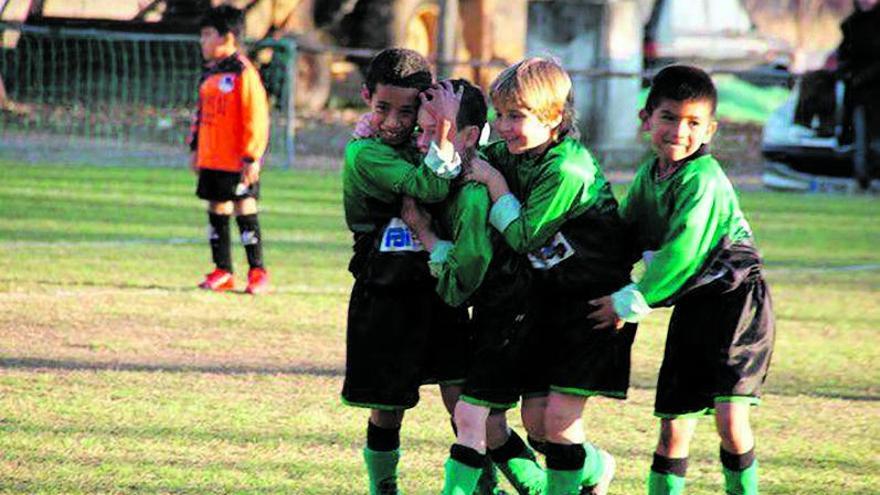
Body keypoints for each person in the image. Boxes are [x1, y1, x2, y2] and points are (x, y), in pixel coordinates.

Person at [588, 65, 775, 495]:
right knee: (674, 426)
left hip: (737, 303)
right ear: (646, 119)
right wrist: (594, 278)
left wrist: (629, 301)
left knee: (730, 420)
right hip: (694, 307)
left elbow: (682, 253)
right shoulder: (648, 177)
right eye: (669, 117)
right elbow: (624, 236)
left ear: (710, 130)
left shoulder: (703, 179)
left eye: (693, 123)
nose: (679, 131)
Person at [465, 57, 637, 495]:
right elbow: (468, 158)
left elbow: (523, 236)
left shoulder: (566, 169)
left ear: (554, 118)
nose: (502, 127)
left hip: (594, 307)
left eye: (516, 116)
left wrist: (496, 186)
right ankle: (595, 469)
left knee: (559, 423)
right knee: (538, 427)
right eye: (498, 114)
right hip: (548, 304)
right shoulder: (514, 152)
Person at [400, 79, 546, 495]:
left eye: (436, 130)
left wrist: (427, 238)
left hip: (509, 313)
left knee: (471, 417)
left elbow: (468, 269)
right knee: (492, 425)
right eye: (421, 132)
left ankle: (584, 473)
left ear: (467, 136)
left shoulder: (473, 194)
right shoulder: (460, 169)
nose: (422, 141)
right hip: (496, 313)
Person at [340, 48, 470, 495]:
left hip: (439, 290)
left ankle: (482, 485)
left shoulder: (424, 143)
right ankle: (385, 488)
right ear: (365, 98)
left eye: (407, 111)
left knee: (465, 405)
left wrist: (444, 124)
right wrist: (447, 131)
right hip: (386, 294)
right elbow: (431, 185)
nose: (393, 121)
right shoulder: (364, 155)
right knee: (386, 407)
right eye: (382, 108)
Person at [189, 5, 270, 294]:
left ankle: (258, 272)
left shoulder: (242, 72)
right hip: (212, 157)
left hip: (237, 160)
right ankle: (223, 270)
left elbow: (256, 117)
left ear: (228, 38)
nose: (203, 41)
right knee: (215, 207)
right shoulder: (210, 73)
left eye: (208, 35)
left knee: (244, 207)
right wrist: (195, 148)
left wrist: (251, 156)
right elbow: (201, 114)